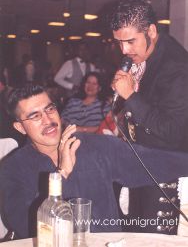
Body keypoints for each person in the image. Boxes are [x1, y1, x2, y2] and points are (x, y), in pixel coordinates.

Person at [1, 85, 188, 239]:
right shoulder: (13, 169)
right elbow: (26, 228)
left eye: (50, 109)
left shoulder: (93, 146)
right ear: (20, 127)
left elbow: (152, 162)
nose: (48, 120)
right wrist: (62, 174)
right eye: (35, 116)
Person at [109, 0, 188, 233]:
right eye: (119, 42)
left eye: (130, 41)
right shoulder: (146, 55)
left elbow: (172, 131)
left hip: (167, 172)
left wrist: (131, 96)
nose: (124, 50)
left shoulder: (177, 69)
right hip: (144, 163)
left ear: (151, 31)